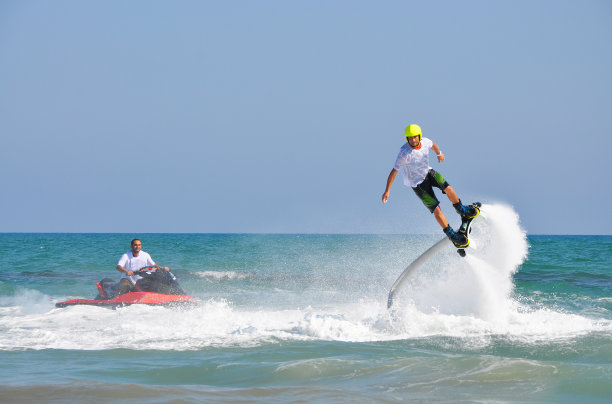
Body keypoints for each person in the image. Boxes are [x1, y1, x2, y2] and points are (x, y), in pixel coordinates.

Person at [381, 124, 478, 247]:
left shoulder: (425, 141)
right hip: (418, 184)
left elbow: (433, 145)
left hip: (429, 172)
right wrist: (387, 190)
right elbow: (393, 172)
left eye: (415, 137)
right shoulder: (404, 154)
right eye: (410, 138)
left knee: (448, 188)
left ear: (419, 136)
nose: (413, 140)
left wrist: (439, 153)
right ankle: (453, 236)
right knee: (437, 210)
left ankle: (462, 210)